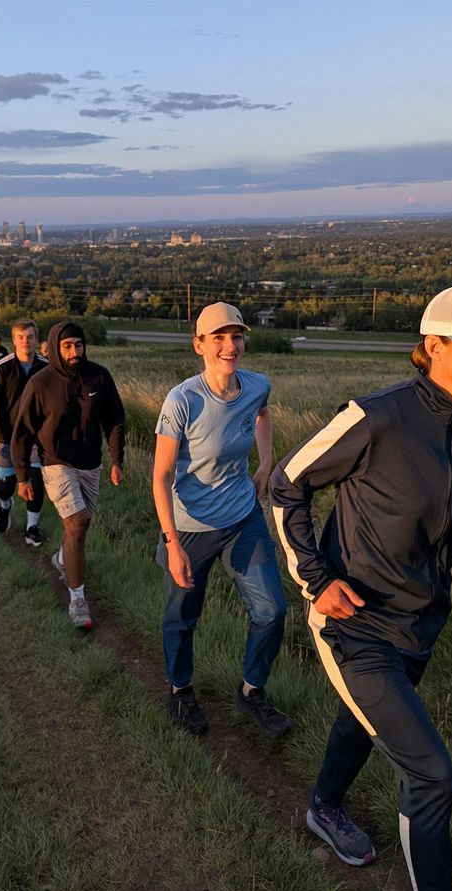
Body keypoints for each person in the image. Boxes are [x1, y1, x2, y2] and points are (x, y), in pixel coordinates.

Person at [269, 282, 452, 891]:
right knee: (431, 775)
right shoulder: (377, 416)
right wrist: (315, 580)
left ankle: (324, 804)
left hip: (422, 624)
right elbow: (288, 483)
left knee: (363, 719)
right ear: (433, 345)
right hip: (354, 624)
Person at [152, 302, 291, 737]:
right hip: (190, 529)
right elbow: (159, 478)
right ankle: (180, 691)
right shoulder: (183, 400)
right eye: (219, 338)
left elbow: (264, 416)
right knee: (182, 617)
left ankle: (252, 692)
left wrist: (265, 464)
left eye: (236, 337)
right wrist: (173, 546)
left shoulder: (256, 386)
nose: (230, 346)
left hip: (242, 518)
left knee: (271, 610)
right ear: (199, 345)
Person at [13, 322, 125, 629]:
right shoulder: (40, 383)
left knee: (83, 523)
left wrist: (117, 460)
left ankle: (63, 560)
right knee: (76, 524)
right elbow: (22, 432)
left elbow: (115, 419)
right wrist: (22, 476)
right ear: (54, 347)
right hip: (55, 462)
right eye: (67, 346)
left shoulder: (99, 376)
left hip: (91, 464)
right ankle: (78, 600)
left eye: (78, 345)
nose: (74, 352)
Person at [0, 319, 49, 545]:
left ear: (36, 339)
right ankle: (5, 506)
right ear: (14, 340)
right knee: (7, 484)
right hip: (6, 437)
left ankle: (32, 527)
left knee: (36, 480)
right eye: (20, 337)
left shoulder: (47, 367)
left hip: (37, 439)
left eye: (29, 337)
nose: (25, 341)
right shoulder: (1, 368)